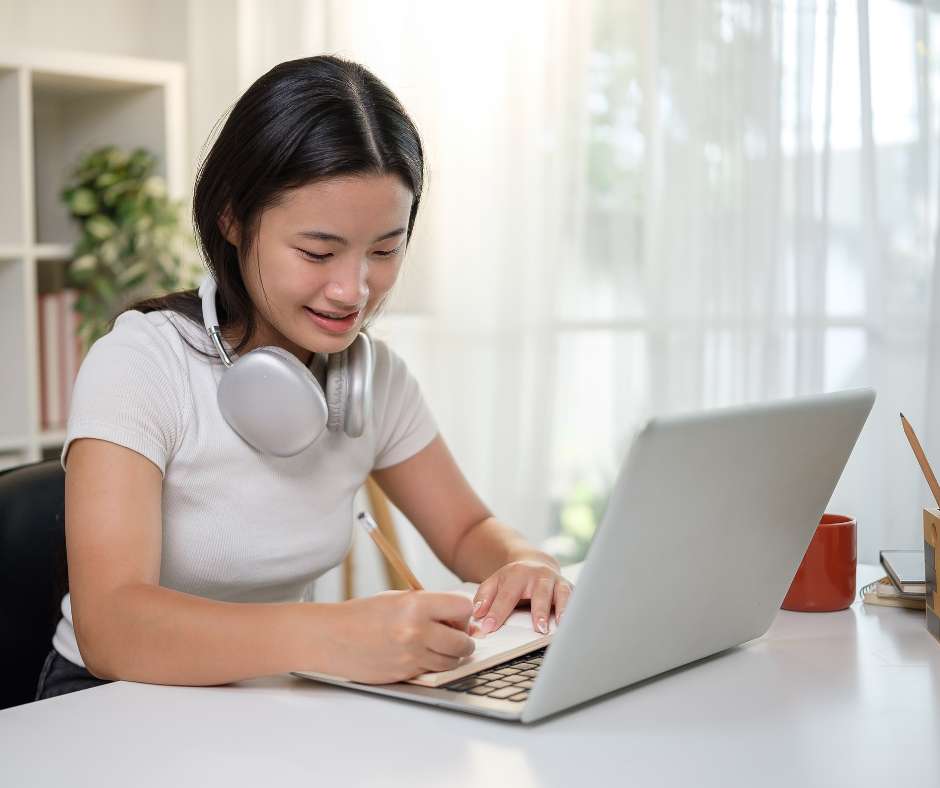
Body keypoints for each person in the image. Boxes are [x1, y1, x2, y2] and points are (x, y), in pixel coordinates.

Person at [36, 55, 572, 700]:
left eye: (384, 250)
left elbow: (465, 531)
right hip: (112, 700)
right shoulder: (141, 364)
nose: (353, 291)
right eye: (317, 252)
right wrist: (331, 636)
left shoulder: (371, 380)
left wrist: (526, 567)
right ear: (232, 219)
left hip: (275, 696)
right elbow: (112, 626)